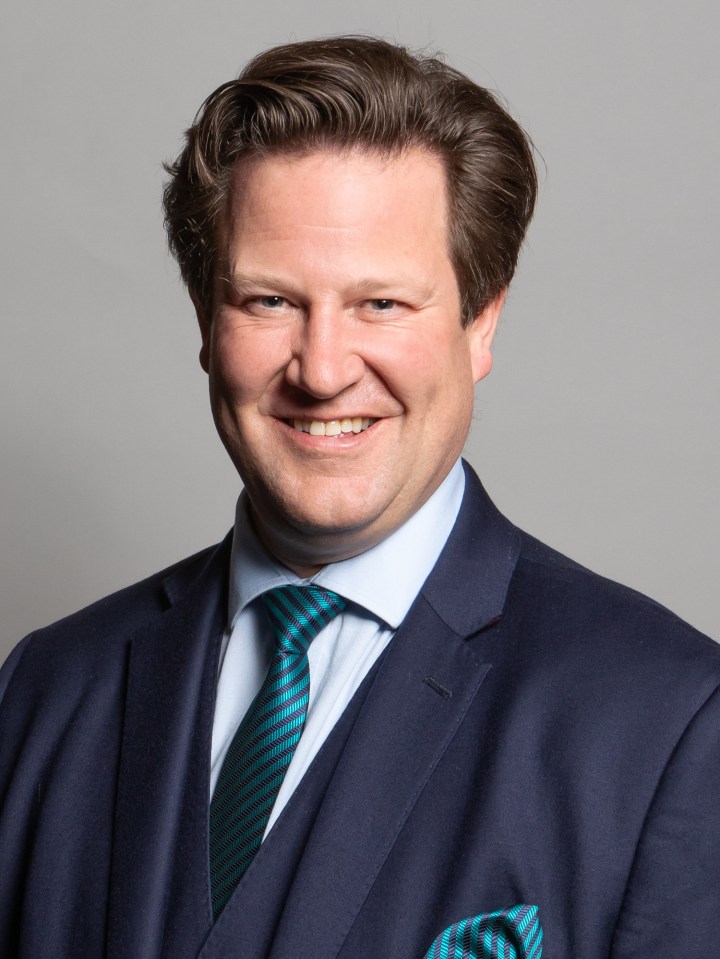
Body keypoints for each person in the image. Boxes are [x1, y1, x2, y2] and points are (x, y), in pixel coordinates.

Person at [1, 35, 718, 959]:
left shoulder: (664, 724)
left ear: (480, 322)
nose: (324, 369)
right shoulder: (43, 692)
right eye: (269, 301)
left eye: (381, 303)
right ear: (205, 322)